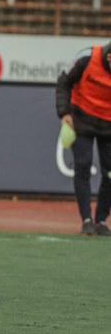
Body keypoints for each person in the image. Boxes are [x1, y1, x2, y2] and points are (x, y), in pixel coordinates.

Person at [55, 41, 111, 236]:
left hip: (109, 125)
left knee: (110, 174)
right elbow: (64, 81)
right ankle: (86, 219)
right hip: (82, 119)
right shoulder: (87, 58)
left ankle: (101, 220)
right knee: (83, 165)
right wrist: (64, 113)